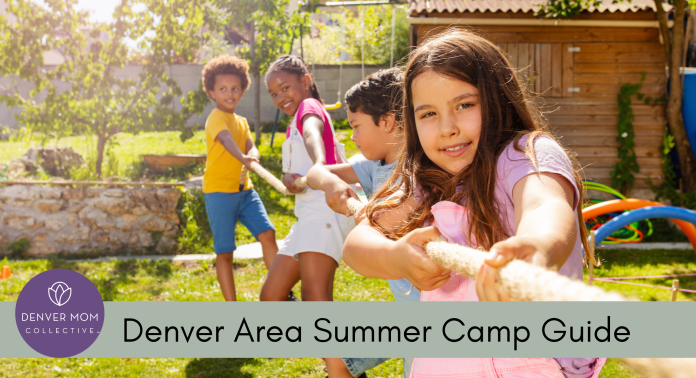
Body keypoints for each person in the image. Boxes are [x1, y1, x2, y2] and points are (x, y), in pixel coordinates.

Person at [343, 30, 606, 378]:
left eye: (464, 105)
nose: (447, 128)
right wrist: (395, 257)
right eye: (428, 114)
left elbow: (545, 205)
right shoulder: (425, 180)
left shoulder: (526, 155)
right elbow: (358, 245)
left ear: (498, 100)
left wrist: (537, 249)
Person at [306, 68, 415, 378]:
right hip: (406, 310)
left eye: (355, 126)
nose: (351, 137)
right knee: (337, 357)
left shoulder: (422, 170)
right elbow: (317, 173)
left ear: (388, 121)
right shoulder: (374, 165)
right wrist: (330, 184)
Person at [260, 55, 352, 303]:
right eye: (273, 94)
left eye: (285, 88)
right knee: (271, 296)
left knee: (315, 297)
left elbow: (313, 134)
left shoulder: (308, 108)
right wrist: (290, 178)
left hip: (325, 212)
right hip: (307, 215)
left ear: (306, 81)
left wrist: (319, 165)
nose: (280, 98)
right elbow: (300, 168)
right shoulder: (292, 124)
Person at [201, 55, 279, 301]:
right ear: (212, 92)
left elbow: (250, 146)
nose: (229, 93)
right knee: (225, 252)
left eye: (235, 88)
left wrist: (252, 155)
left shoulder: (242, 122)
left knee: (268, 233)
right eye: (222, 89)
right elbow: (225, 141)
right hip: (218, 193)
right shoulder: (216, 118)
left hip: (245, 191)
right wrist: (242, 158)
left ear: (243, 90)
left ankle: (281, 291)